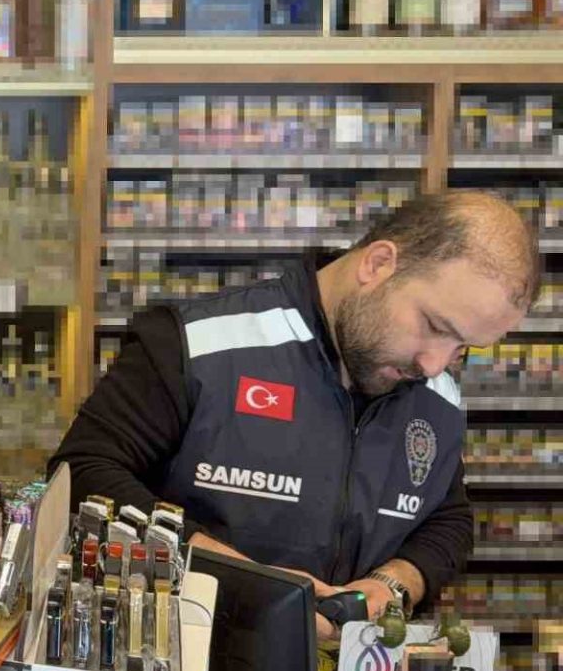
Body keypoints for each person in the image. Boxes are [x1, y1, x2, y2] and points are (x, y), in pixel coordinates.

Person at [50, 191, 540, 640]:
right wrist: (250, 585)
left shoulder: (437, 396)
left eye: (462, 347)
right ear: (378, 264)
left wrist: (390, 586)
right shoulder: (198, 345)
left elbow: (445, 518)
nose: (434, 363)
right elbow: (83, 474)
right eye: (433, 326)